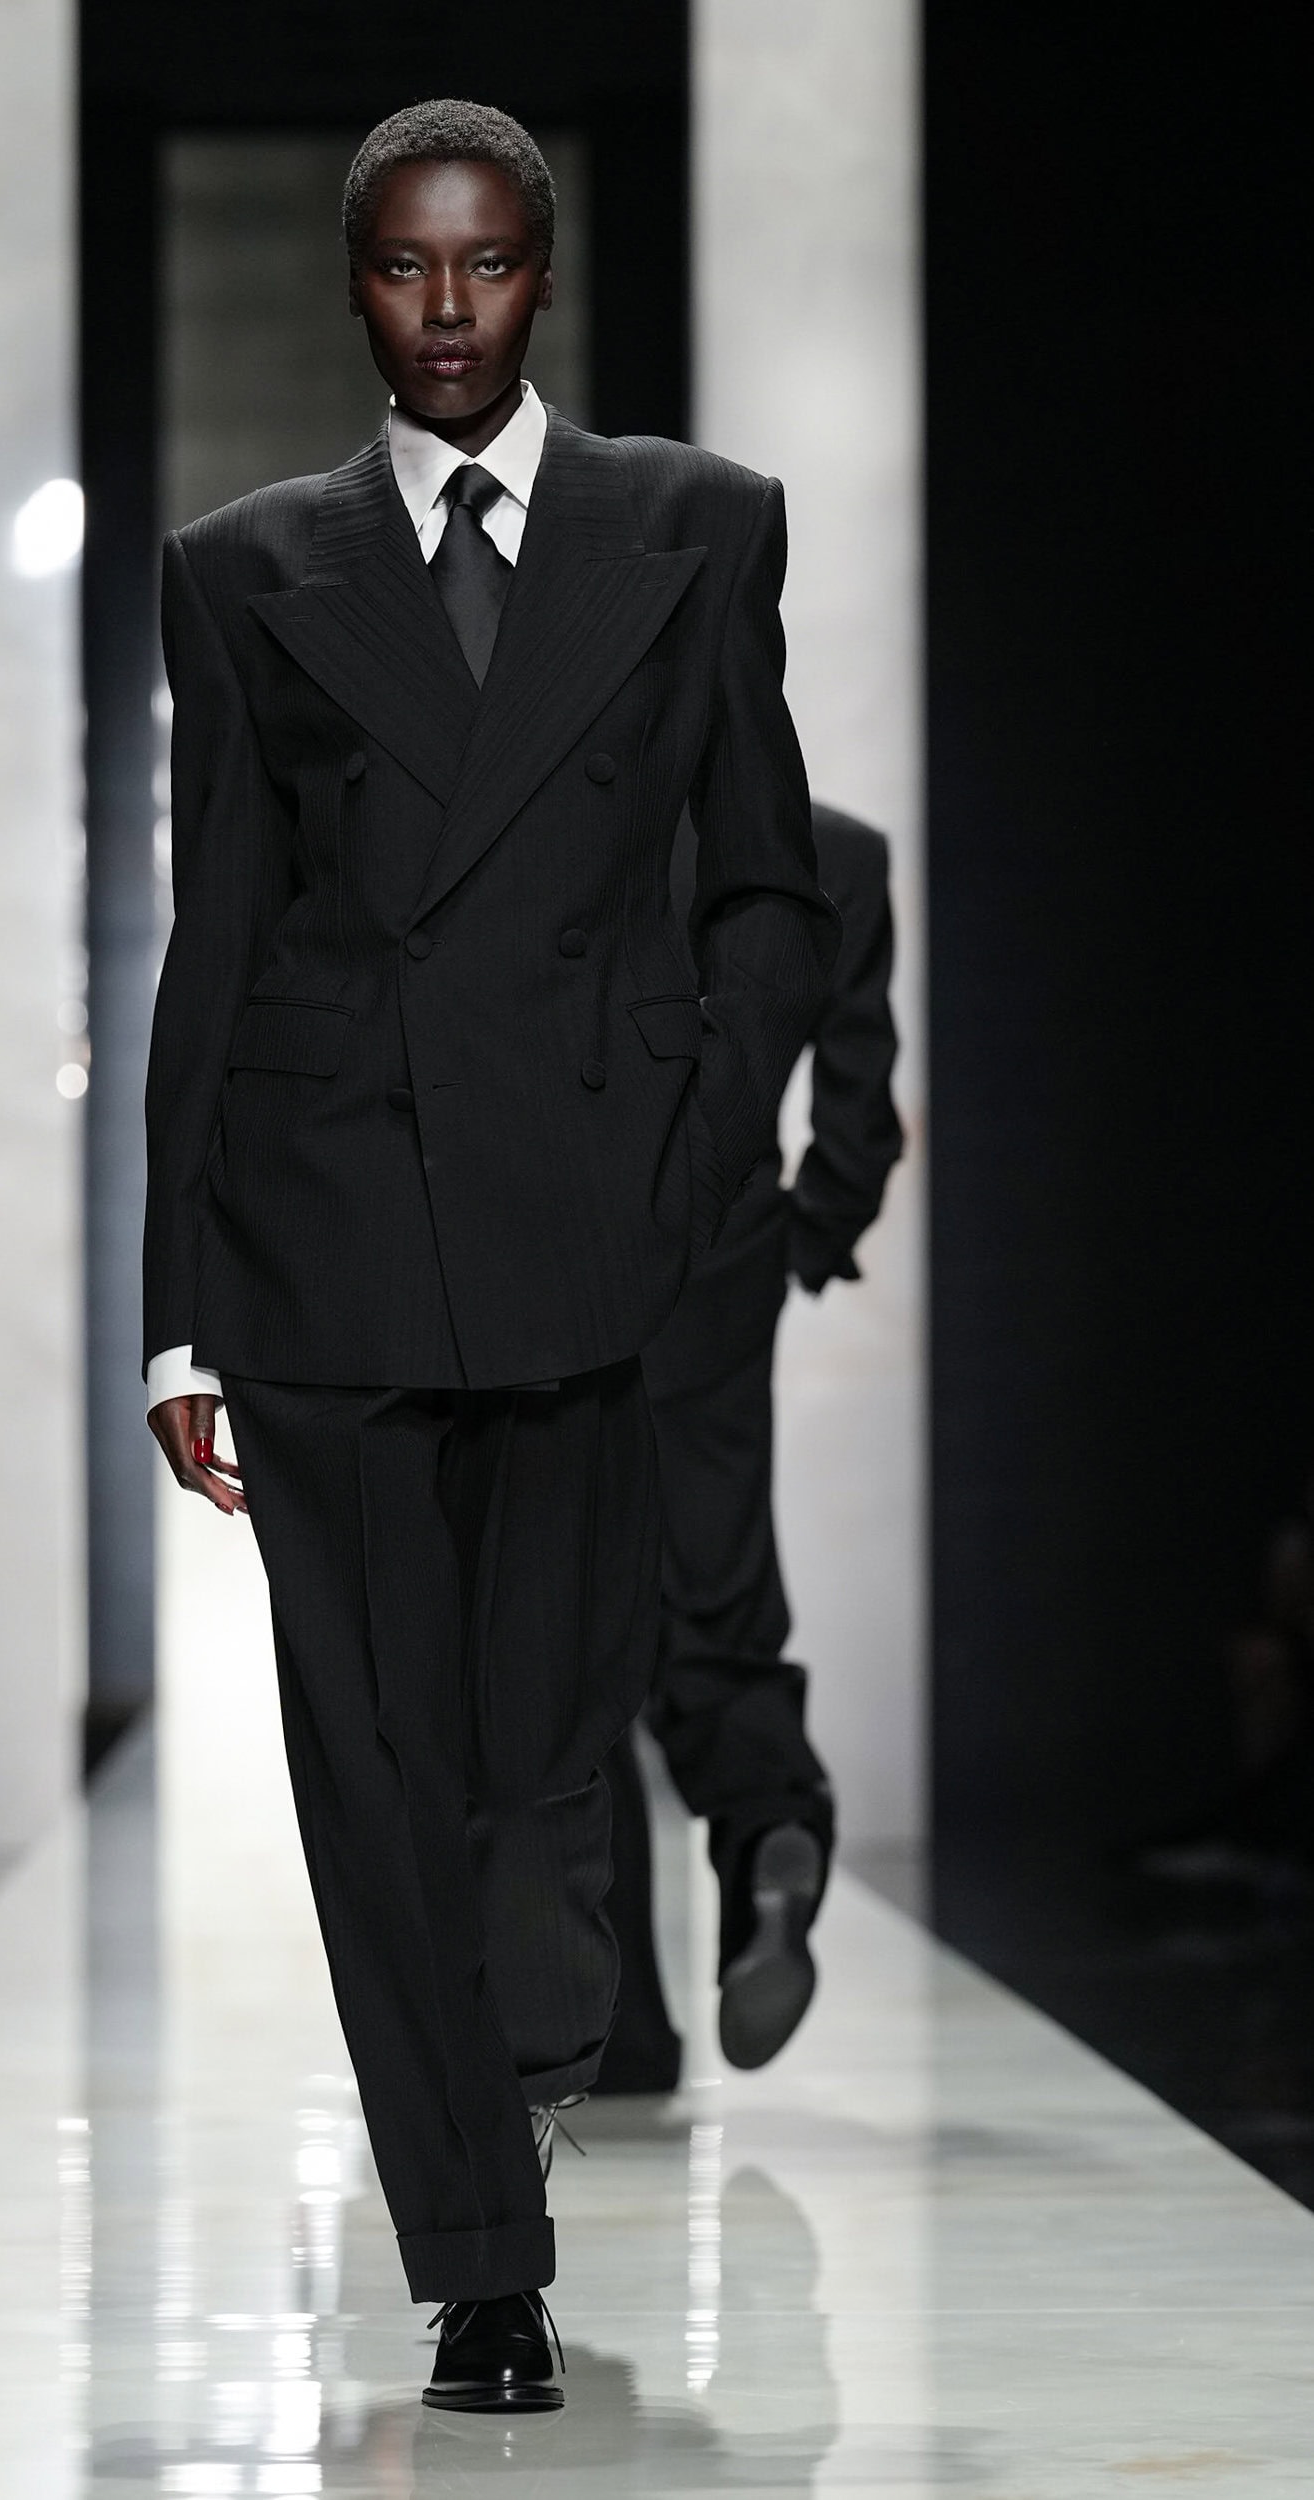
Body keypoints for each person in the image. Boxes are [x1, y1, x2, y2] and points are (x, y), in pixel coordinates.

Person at [142, 98, 836, 2414]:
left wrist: (695, 1146)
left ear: (544, 277)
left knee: (541, 1766)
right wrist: (174, 1309)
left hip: (592, 1234)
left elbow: (768, 881)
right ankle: (481, 2263)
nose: (448, 309)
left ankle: (519, 2071)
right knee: (374, 1765)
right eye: (406, 268)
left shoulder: (696, 528)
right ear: (358, 285)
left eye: (490, 265)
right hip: (326, 1234)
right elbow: (218, 938)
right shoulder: (247, 568)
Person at [597, 804, 903, 2094]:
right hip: (726, 1252)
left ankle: (619, 2025)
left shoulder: (579, 826)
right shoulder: (837, 855)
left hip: (568, 1250)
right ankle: (773, 1822)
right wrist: (805, 1238)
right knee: (715, 1576)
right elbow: (860, 1103)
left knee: (569, 1612)